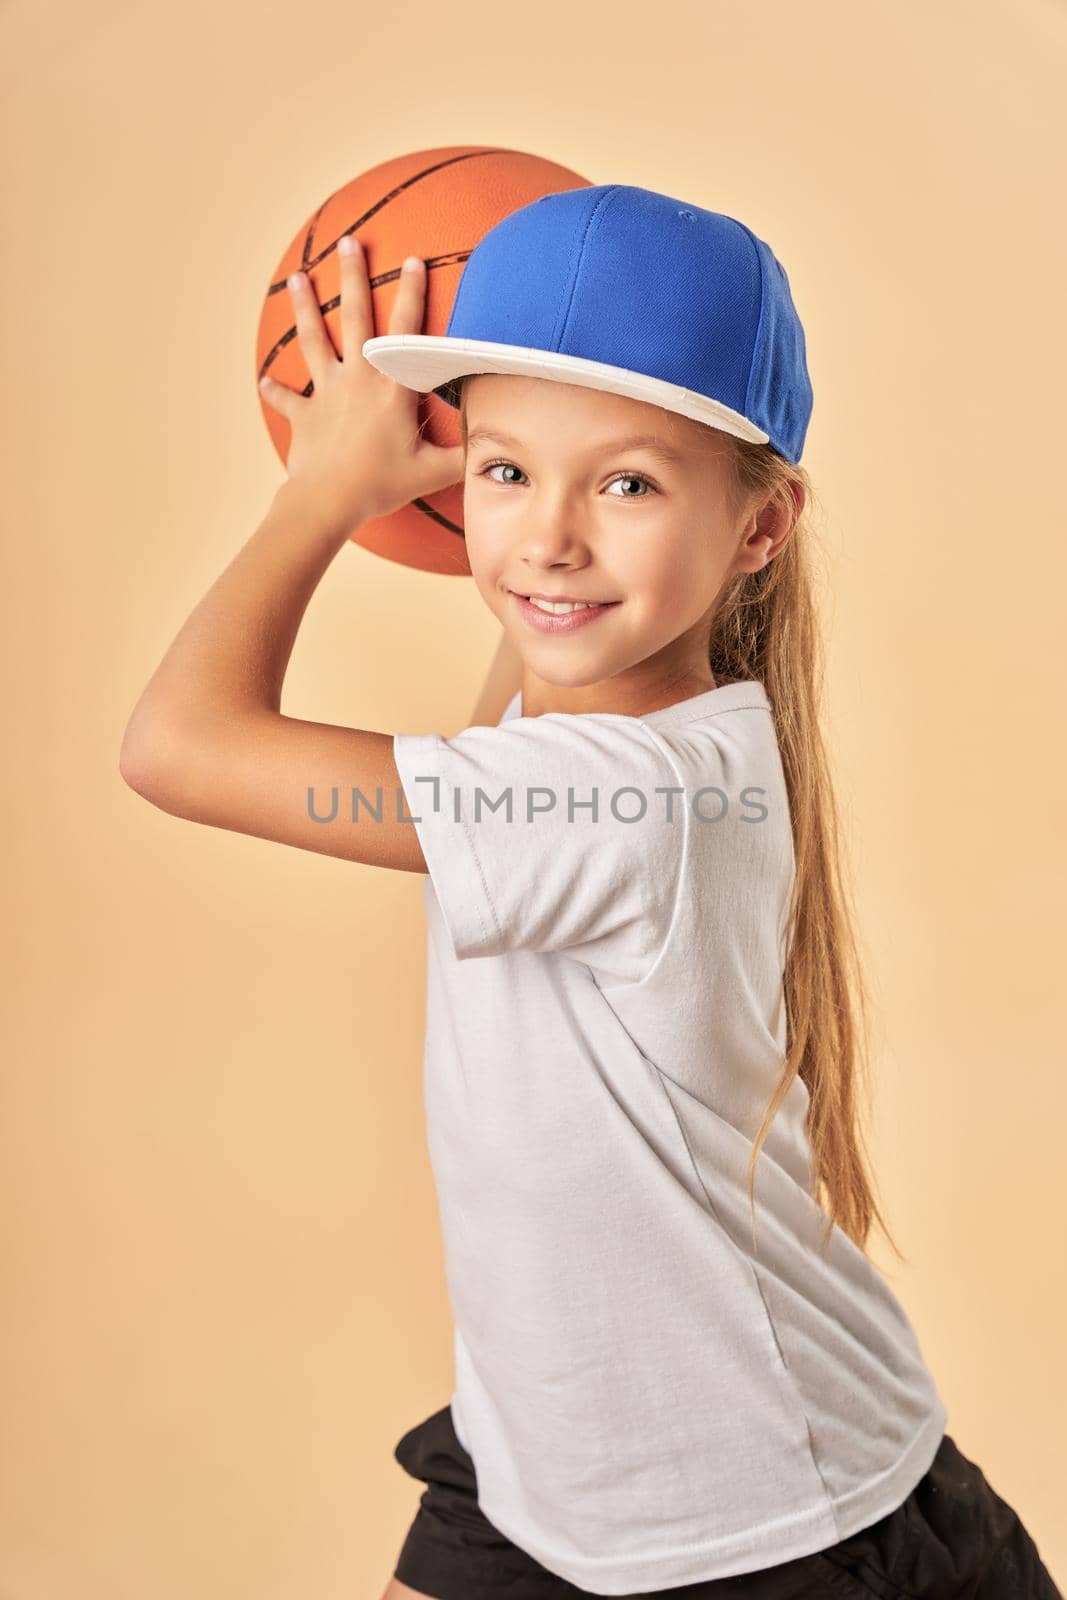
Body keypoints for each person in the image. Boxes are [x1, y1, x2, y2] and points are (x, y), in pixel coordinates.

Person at [118, 185, 1061, 1598]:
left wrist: (317, 494)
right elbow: (535, 639)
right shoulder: (600, 737)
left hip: (762, 1517)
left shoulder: (618, 804)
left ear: (760, 526)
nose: (549, 538)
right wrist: (493, 514)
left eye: (625, 483)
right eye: (502, 472)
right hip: (551, 1457)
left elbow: (177, 747)